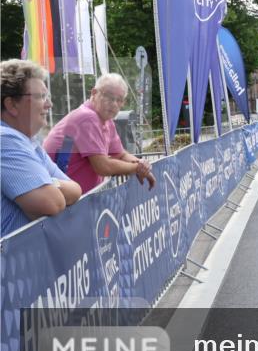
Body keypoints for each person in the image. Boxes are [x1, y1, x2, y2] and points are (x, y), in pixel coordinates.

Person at [1, 59, 82, 236]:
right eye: (40, 97)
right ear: (12, 105)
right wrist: (48, 186)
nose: (49, 104)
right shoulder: (4, 139)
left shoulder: (28, 142)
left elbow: (76, 189)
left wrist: (48, 183)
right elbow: (51, 203)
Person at [43, 73, 156, 194]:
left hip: (76, 200)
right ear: (94, 93)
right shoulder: (87, 117)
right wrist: (137, 168)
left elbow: (120, 155)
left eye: (119, 100)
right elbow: (103, 167)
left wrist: (141, 164)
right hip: (66, 203)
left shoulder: (105, 119)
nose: (114, 104)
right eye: (109, 96)